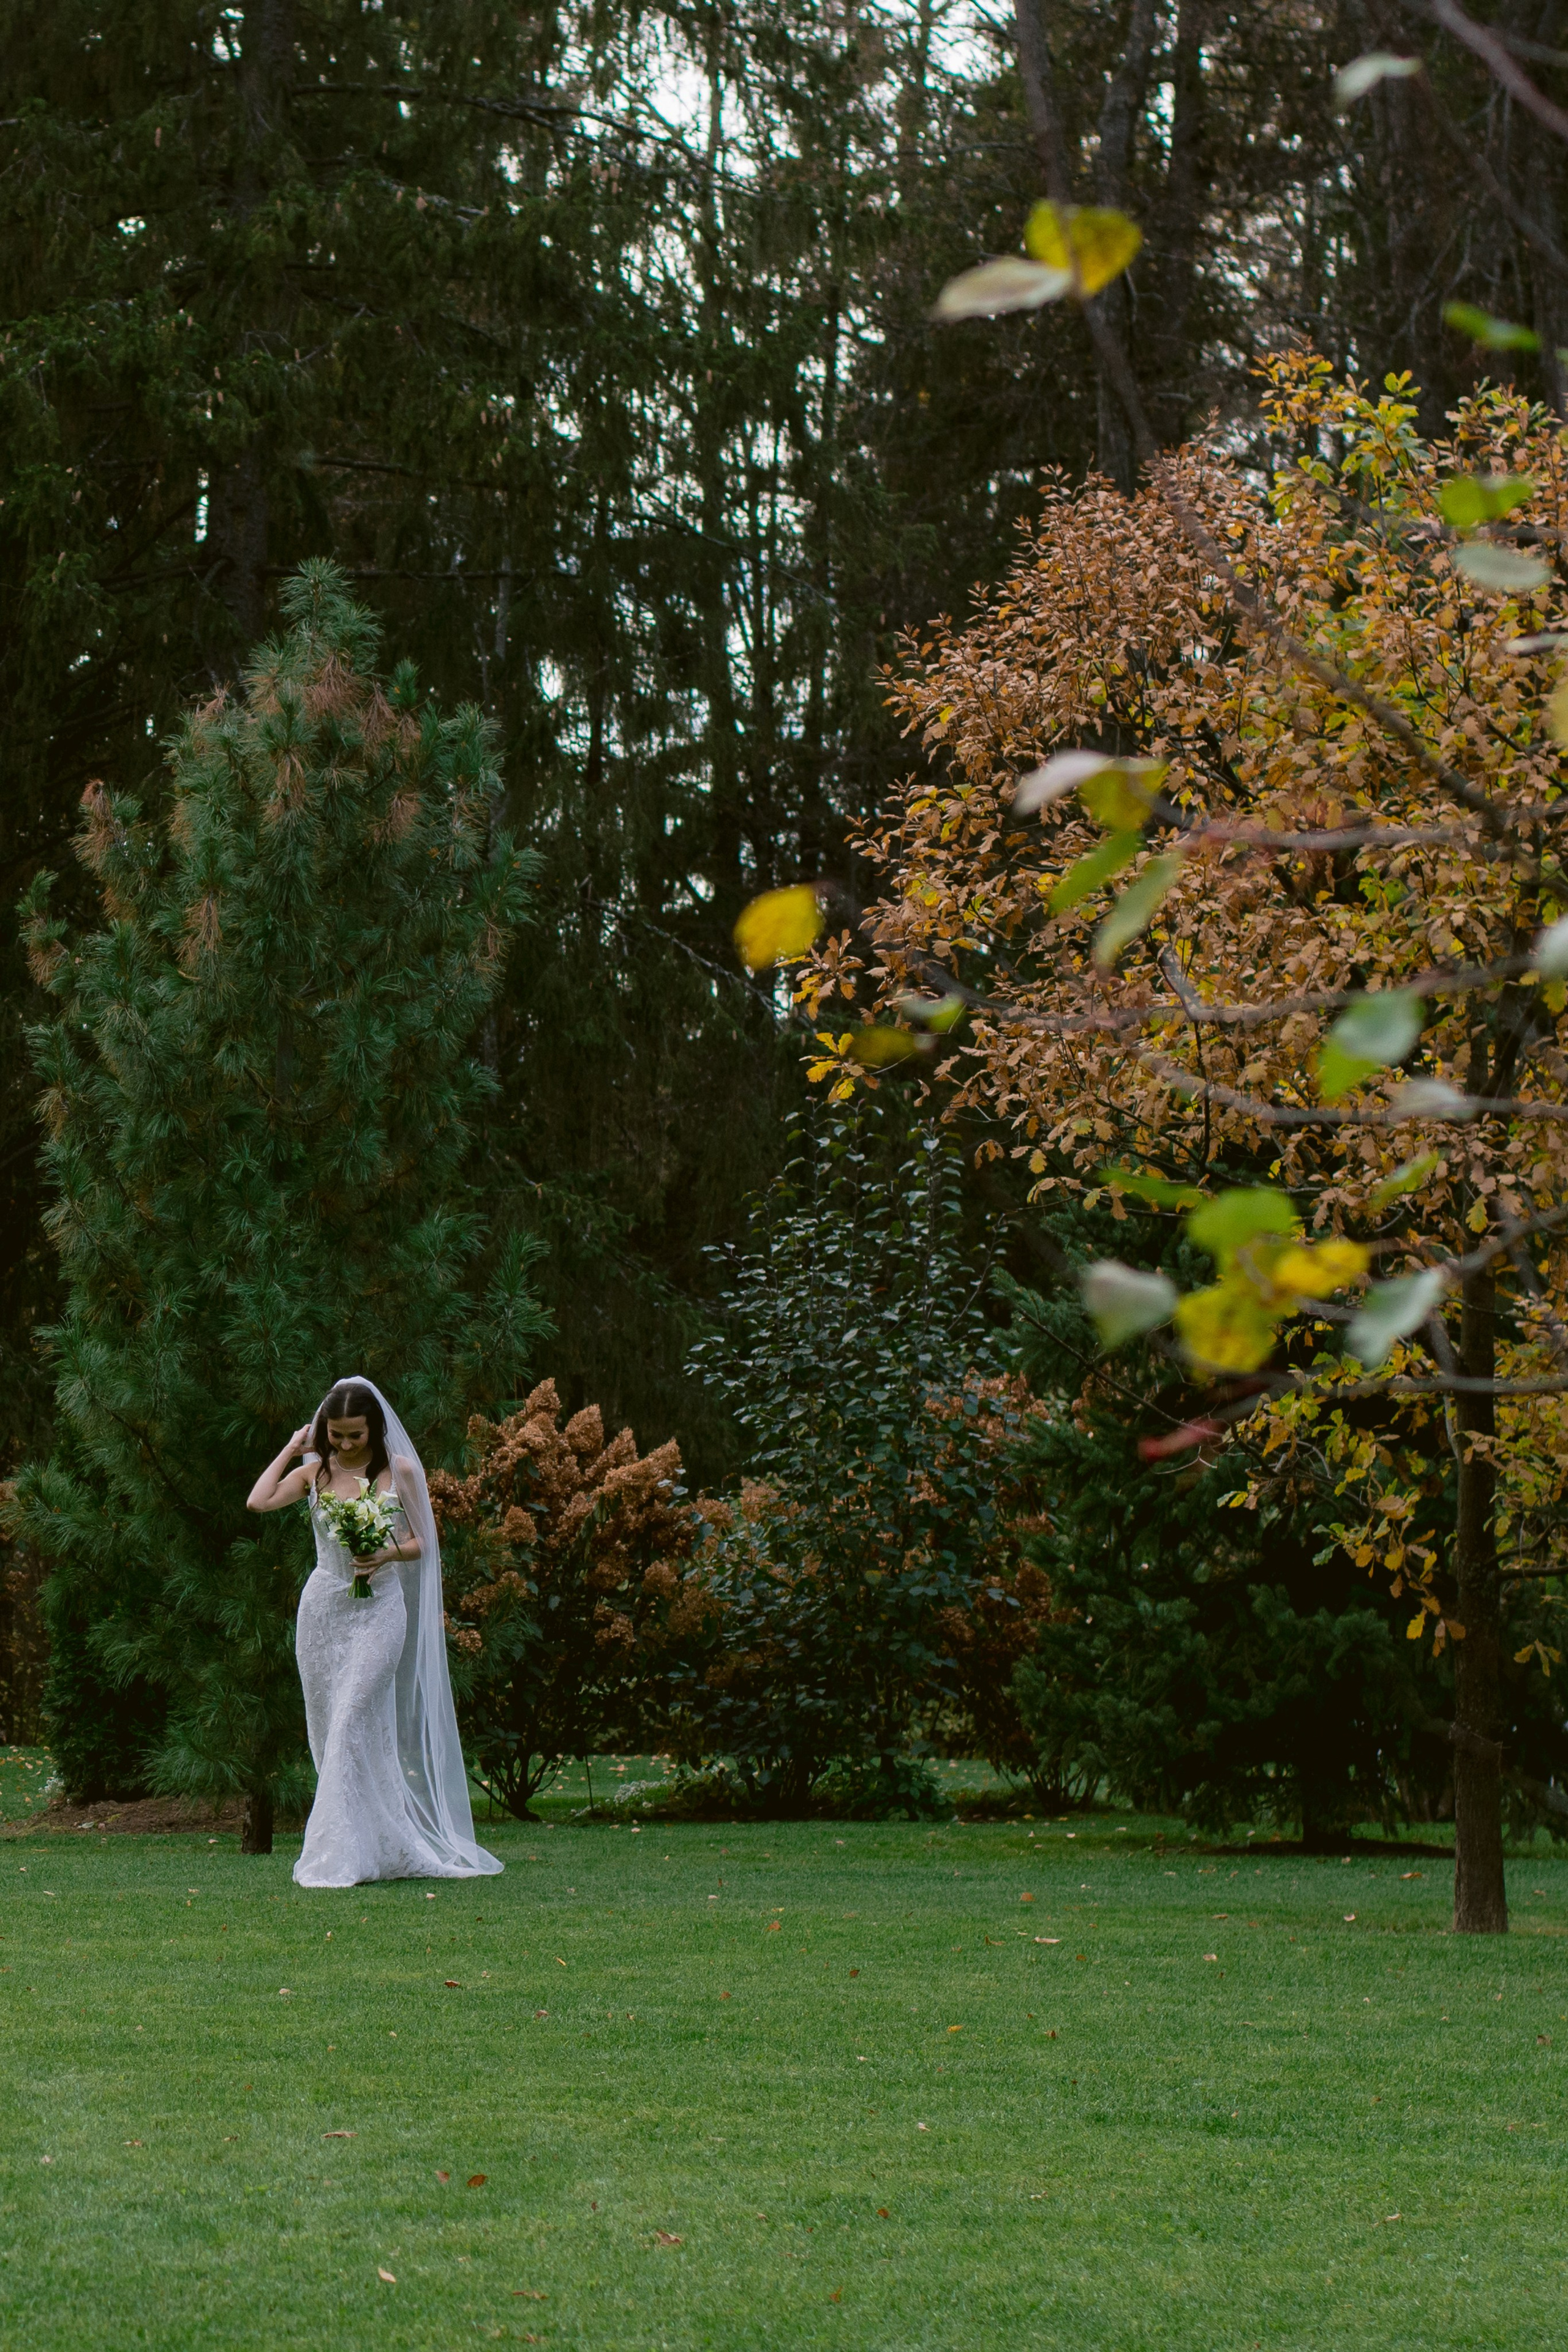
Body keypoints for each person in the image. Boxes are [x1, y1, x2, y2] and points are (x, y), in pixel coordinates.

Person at [247, 1378, 502, 1887]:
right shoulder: (314, 1473)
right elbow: (258, 1500)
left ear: (374, 1428)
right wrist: (294, 1447)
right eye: (336, 1435)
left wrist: (384, 1552)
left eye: (355, 1435)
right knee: (326, 1730)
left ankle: (334, 1857)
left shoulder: (398, 1471)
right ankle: (368, 1844)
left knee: (350, 1720)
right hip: (324, 1610)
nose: (345, 1444)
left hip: (380, 1609)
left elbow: (423, 1543)